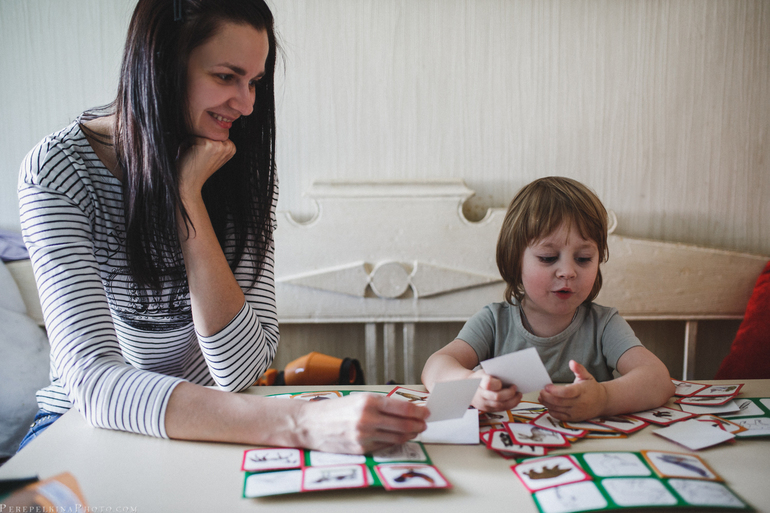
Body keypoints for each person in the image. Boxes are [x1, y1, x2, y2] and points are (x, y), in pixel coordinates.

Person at [17, 0, 427, 454]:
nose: (247, 104)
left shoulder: (235, 162)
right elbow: (92, 380)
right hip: (85, 425)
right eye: (226, 77)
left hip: (218, 423)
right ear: (161, 64)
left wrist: (187, 199)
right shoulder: (57, 172)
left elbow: (240, 368)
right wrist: (302, 423)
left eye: (254, 82)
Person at [421, 176, 674, 422]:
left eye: (584, 259)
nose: (568, 271)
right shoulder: (493, 321)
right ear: (515, 259)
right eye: (548, 257)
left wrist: (603, 399)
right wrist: (471, 387)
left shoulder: (604, 325)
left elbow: (658, 379)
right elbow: (435, 366)